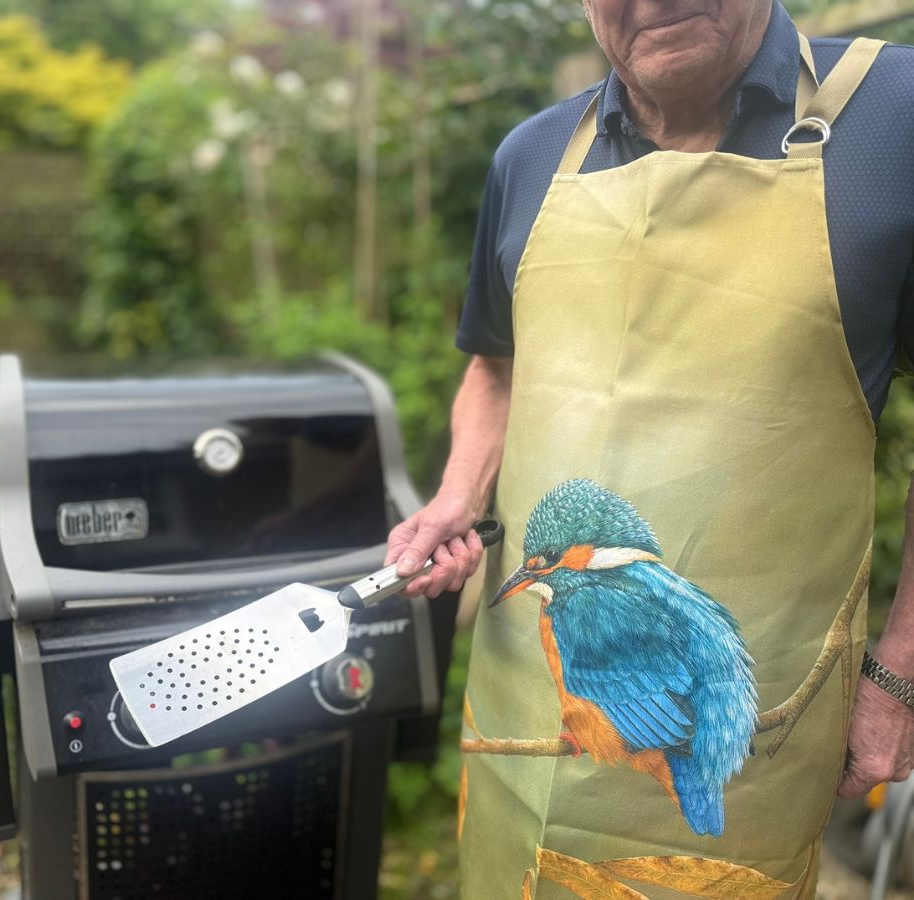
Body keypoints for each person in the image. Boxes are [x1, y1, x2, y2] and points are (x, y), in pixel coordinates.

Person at [385, 0, 914, 894]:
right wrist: (455, 499)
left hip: (742, 742)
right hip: (524, 709)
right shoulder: (531, 157)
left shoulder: (893, 119)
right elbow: (496, 366)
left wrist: (896, 677)